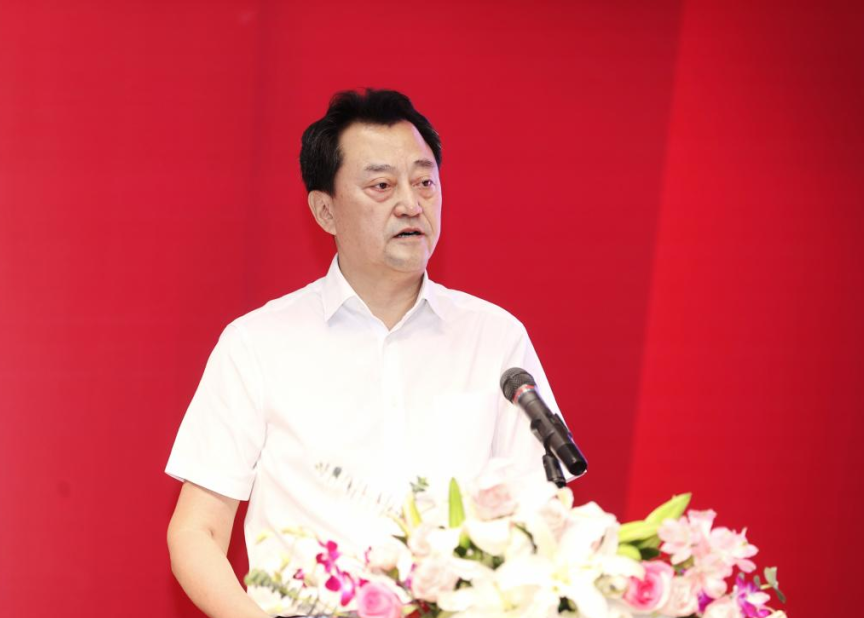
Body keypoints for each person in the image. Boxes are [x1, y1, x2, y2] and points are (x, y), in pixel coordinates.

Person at [165, 89, 568, 618]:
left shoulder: (496, 339)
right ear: (325, 210)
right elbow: (197, 531)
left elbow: (542, 515)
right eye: (381, 185)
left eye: (424, 182)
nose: (411, 203)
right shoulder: (257, 343)